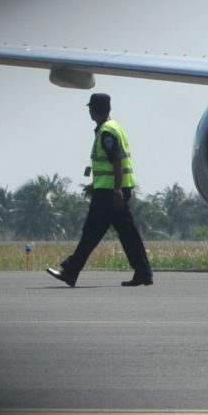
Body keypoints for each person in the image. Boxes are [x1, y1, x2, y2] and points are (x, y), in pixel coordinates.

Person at [45, 92, 153, 287]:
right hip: (112, 189)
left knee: (92, 232)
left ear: (94, 110)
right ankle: (143, 272)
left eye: (90, 108)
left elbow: (116, 162)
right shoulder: (114, 127)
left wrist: (117, 190)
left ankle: (71, 271)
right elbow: (112, 165)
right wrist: (96, 185)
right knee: (127, 232)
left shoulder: (106, 132)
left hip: (111, 193)